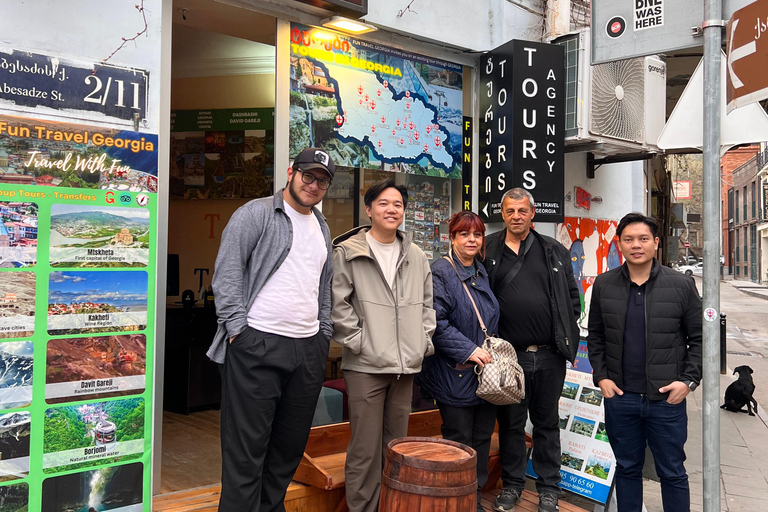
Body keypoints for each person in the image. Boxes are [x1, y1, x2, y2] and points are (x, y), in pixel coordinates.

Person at [207, 147, 335, 512]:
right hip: (256, 344)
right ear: (291, 173)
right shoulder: (256, 213)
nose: (313, 185)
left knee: (287, 451)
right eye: (308, 176)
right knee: (246, 453)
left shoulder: (322, 226)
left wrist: (323, 333)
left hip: (307, 349)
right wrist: (239, 332)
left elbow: (323, 285)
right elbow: (227, 275)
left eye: (322, 181)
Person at [331, 179, 436, 512]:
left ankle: (392, 506)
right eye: (384, 203)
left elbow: (427, 306)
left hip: (405, 367)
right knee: (364, 450)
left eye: (398, 205)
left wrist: (422, 342)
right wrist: (360, 342)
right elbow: (337, 305)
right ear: (369, 209)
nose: (392, 210)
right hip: (366, 366)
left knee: (396, 448)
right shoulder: (348, 252)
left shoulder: (416, 255)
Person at [587, 212, 702, 512]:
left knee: (672, 472)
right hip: (621, 397)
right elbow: (595, 336)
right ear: (619, 244)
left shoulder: (681, 285)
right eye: (628, 239)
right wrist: (602, 376)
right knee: (627, 469)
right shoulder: (604, 284)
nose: (636, 245)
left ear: (656, 243)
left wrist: (688, 381)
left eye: (643, 239)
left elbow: (701, 339)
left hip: (666, 400)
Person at [483, 188, 580, 512]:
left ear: (532, 213)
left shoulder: (553, 250)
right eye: (510, 211)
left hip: (550, 356)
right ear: (502, 213)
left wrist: (565, 334)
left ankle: (549, 489)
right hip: (509, 358)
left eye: (522, 210)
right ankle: (512, 486)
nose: (516, 216)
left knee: (547, 424)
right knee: (511, 424)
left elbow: (572, 298)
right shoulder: (488, 248)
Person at [416, 211, 498, 512]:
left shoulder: (480, 270)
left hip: (484, 374)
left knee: (482, 438)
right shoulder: (441, 271)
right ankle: (455, 502)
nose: (471, 240)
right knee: (458, 441)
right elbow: (435, 323)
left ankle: (473, 500)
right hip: (455, 373)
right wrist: (469, 350)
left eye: (477, 234)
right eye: (464, 234)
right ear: (452, 238)